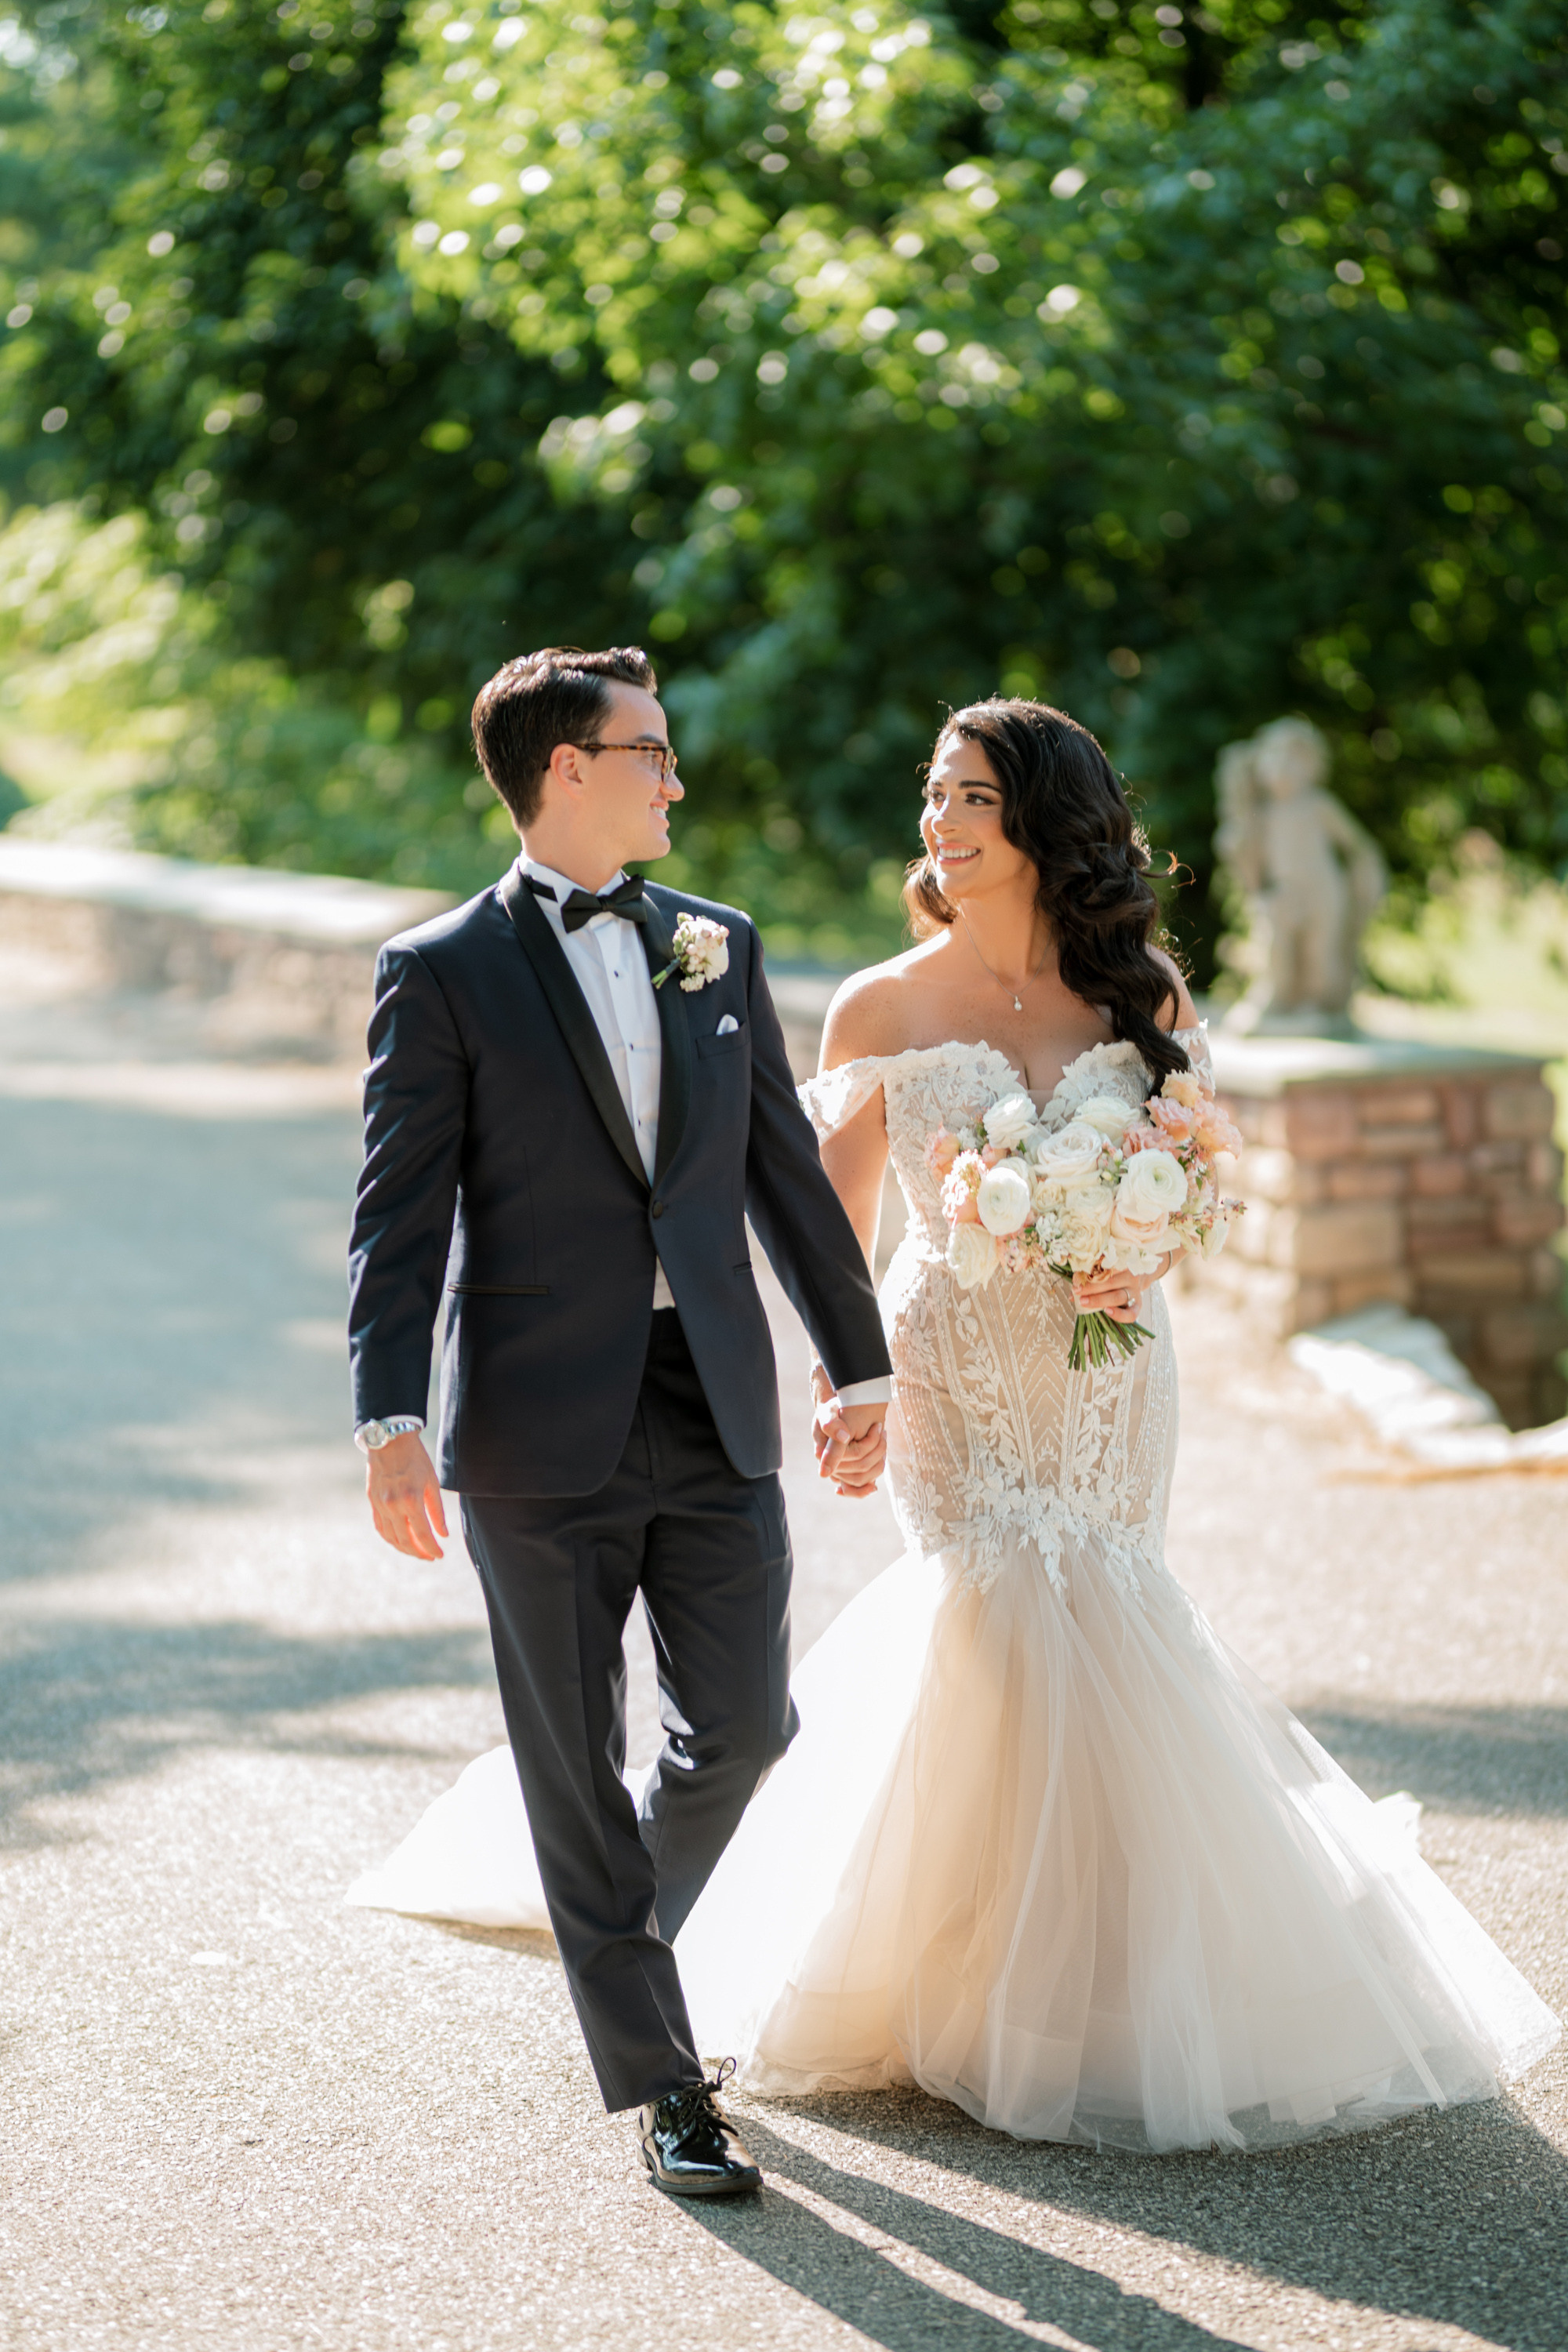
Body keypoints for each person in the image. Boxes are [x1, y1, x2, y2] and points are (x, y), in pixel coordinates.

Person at [353, 695, 1560, 2154]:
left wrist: (1152, 1246)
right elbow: (819, 1210)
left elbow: (1195, 1175)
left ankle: (1103, 1977)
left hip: (1113, 1368)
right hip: (951, 1368)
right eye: (933, 796)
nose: (938, 821)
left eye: (968, 797)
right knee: (986, 1625)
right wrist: (849, 1376)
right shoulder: (868, 1003)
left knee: (1075, 1630)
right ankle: (815, 1998)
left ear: (1039, 817)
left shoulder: (1134, 992)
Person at [347, 645, 892, 2197]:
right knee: (572, 1764)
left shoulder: (718, 946)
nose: (674, 776)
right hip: (531, 1421)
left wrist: (861, 1370)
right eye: (648, 751)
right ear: (564, 770)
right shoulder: (440, 971)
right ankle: (666, 2088)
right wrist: (389, 1413)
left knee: (743, 1730)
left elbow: (781, 1173)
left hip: (710, 1394)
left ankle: (613, 1953)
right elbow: (398, 1221)